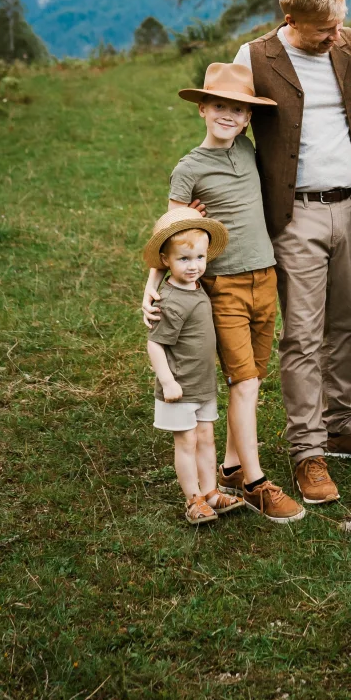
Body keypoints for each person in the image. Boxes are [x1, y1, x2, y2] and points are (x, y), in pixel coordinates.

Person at [233, 0, 351, 505]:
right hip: (294, 216)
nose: (335, 36)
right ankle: (306, 450)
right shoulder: (253, 59)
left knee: (346, 324)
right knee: (302, 334)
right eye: (324, 29)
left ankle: (342, 423)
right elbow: (226, 125)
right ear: (290, 18)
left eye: (340, 24)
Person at [141, 64, 305, 524]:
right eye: (220, 107)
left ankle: (229, 468)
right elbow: (169, 236)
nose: (229, 116)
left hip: (265, 277)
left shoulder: (250, 152)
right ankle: (255, 482)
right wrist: (151, 286)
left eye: (238, 109)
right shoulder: (188, 168)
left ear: (249, 117)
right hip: (225, 285)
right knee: (244, 381)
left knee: (252, 375)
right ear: (202, 109)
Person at [143, 211, 245, 525]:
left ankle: (211, 492)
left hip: (202, 384)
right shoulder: (171, 301)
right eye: (184, 259)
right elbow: (155, 343)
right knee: (186, 441)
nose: (194, 266)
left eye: (199, 257)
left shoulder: (197, 286)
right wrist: (168, 381)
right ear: (166, 260)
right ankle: (193, 499)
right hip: (180, 387)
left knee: (206, 437)